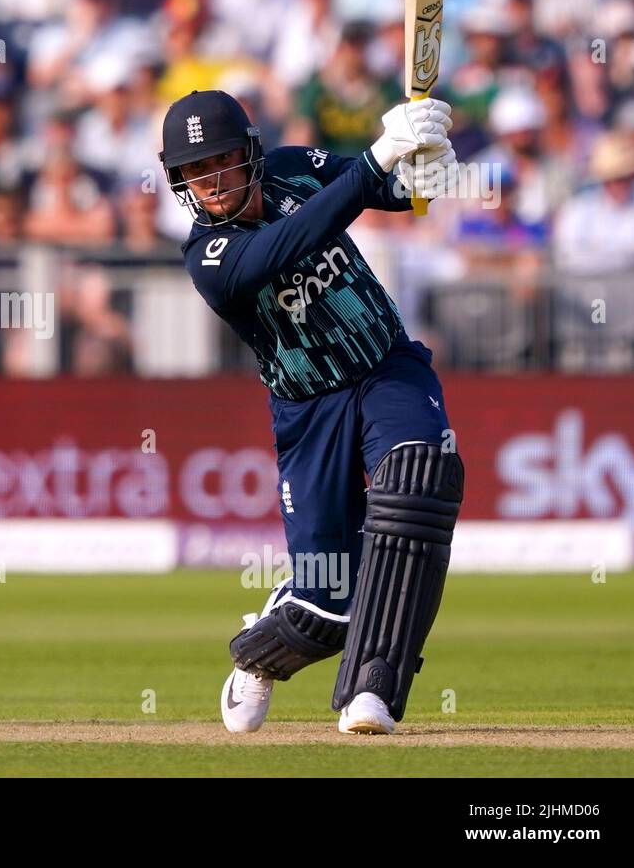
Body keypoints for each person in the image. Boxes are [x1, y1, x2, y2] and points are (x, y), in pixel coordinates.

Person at [163, 88, 463, 735]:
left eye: (219, 162)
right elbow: (294, 239)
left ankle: (372, 690)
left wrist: (427, 162)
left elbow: (396, 194)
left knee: (419, 483)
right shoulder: (207, 256)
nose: (209, 182)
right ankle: (254, 652)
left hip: (387, 366)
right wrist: (380, 154)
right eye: (192, 171)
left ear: (249, 155)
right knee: (324, 612)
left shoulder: (294, 167)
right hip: (309, 412)